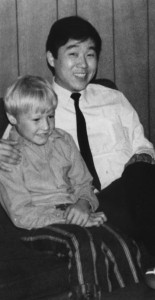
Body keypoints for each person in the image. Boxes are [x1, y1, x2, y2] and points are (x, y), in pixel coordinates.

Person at [0, 15, 155, 266]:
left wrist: (138, 169)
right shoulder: (36, 110)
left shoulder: (114, 98)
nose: (83, 64)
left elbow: (143, 146)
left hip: (134, 189)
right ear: (52, 58)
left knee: (142, 175)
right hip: (87, 202)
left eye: (90, 54)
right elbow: (9, 150)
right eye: (73, 54)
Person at [0, 75, 143, 300]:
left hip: (74, 212)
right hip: (36, 223)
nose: (46, 126)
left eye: (50, 116)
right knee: (82, 241)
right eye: (37, 119)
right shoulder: (9, 156)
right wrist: (71, 217)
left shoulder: (63, 140)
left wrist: (83, 205)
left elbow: (84, 184)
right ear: (12, 117)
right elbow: (22, 215)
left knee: (122, 242)